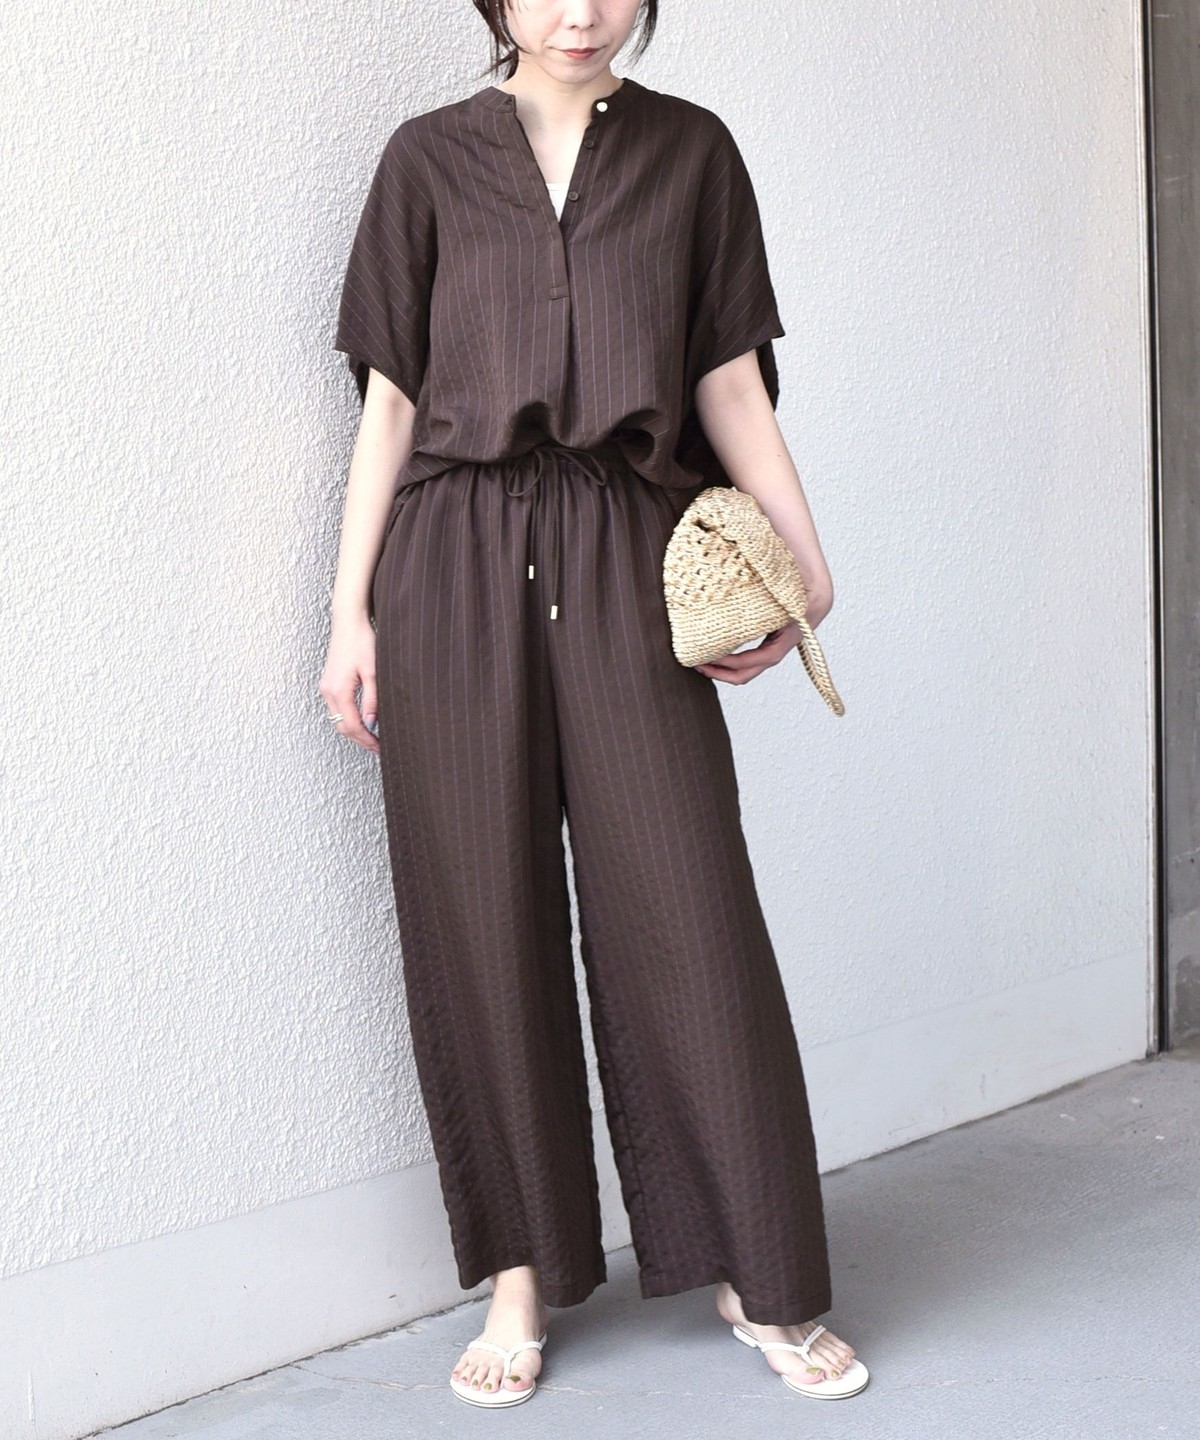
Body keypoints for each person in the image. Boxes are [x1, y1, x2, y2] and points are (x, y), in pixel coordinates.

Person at [319, 0, 867, 1410]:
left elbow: (726, 381)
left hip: (630, 548)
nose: (582, 11)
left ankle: (759, 1268)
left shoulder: (693, 155)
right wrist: (348, 613)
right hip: (450, 563)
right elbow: (391, 404)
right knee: (479, 915)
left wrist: (807, 564)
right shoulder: (427, 160)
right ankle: (520, 1277)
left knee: (688, 904)